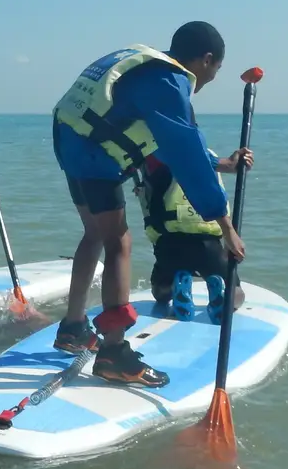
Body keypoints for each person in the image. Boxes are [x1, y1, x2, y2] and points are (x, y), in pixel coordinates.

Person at [51, 21, 245, 387]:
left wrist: (222, 165)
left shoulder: (144, 63)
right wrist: (226, 227)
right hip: (94, 156)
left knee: (94, 233)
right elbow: (185, 152)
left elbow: (170, 141)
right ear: (206, 60)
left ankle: (73, 327)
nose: (208, 81)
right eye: (215, 70)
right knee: (118, 242)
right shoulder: (168, 82)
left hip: (69, 140)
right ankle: (114, 353)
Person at [140, 142, 252, 322]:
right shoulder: (205, 155)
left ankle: (176, 286)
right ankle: (223, 295)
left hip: (169, 245)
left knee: (160, 293)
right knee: (236, 292)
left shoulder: (149, 157)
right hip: (207, 244)